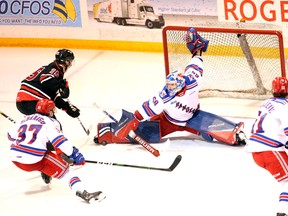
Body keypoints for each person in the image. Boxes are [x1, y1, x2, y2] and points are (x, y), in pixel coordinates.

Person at [95, 27, 247, 146]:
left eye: (173, 85)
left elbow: (196, 60)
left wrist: (197, 48)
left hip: (192, 117)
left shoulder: (192, 80)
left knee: (211, 134)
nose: (170, 88)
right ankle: (107, 132)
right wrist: (134, 120)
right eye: (169, 85)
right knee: (143, 132)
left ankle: (236, 136)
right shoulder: (164, 96)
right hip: (168, 121)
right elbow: (146, 108)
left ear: (181, 85)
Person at [7, 98, 106, 203]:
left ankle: (45, 171)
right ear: (49, 111)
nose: (53, 111)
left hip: (14, 157)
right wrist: (73, 154)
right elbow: (60, 142)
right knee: (67, 172)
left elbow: (10, 137)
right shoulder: (51, 122)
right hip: (34, 160)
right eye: (52, 109)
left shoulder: (24, 118)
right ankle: (83, 193)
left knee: (43, 151)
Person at [245, 77, 288, 216]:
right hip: (269, 150)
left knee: (285, 181)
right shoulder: (285, 106)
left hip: (257, 151)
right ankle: (282, 211)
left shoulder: (267, 103)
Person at [16, 48, 80, 118]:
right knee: (53, 124)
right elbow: (45, 79)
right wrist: (60, 85)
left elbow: (51, 94)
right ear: (65, 61)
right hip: (31, 101)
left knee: (51, 119)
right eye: (70, 61)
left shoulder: (51, 68)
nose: (70, 64)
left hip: (25, 101)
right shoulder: (56, 69)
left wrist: (66, 107)